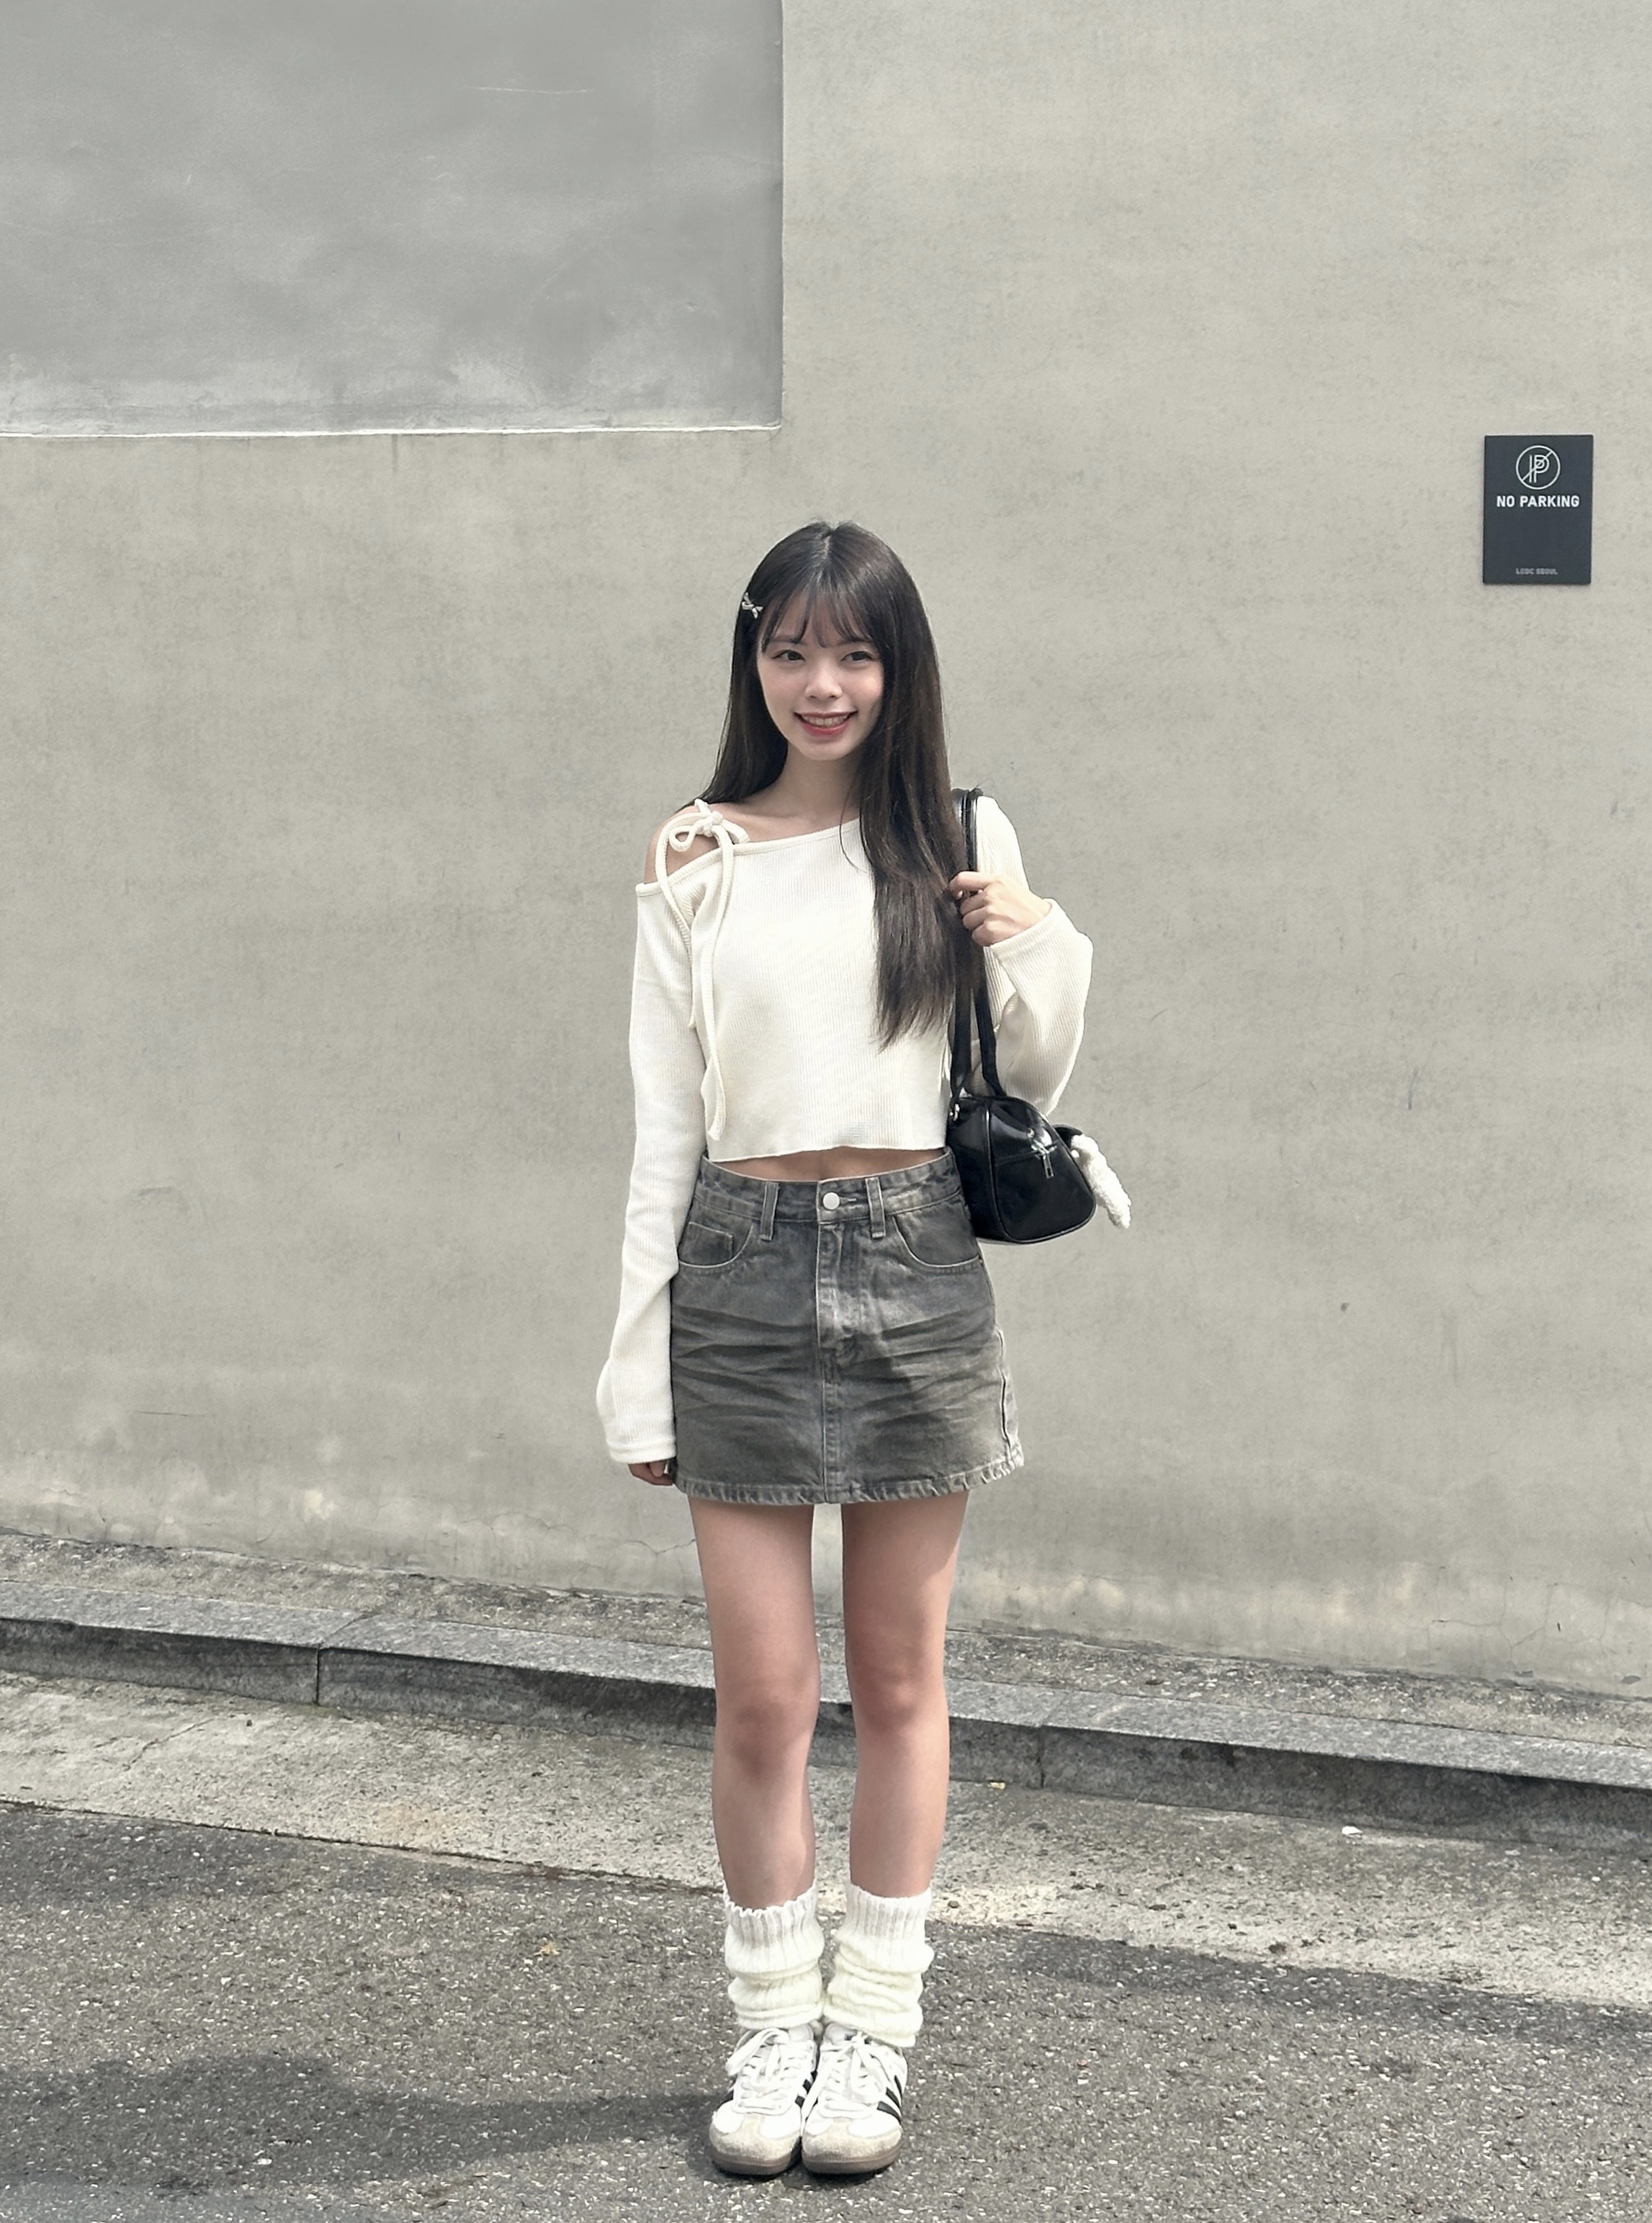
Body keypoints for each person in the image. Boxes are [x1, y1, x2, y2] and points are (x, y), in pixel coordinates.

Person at [596, 521, 1092, 2177]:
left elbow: (1035, 1065)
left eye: (855, 651)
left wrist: (1028, 929)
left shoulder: (954, 830)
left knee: (895, 1681)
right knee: (761, 1696)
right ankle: (773, 2028)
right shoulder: (692, 852)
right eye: (792, 649)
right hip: (736, 1265)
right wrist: (635, 1361)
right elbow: (664, 1126)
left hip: (913, 1257)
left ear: (899, 666)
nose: (823, 683)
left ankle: (867, 2036)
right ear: (752, 659)